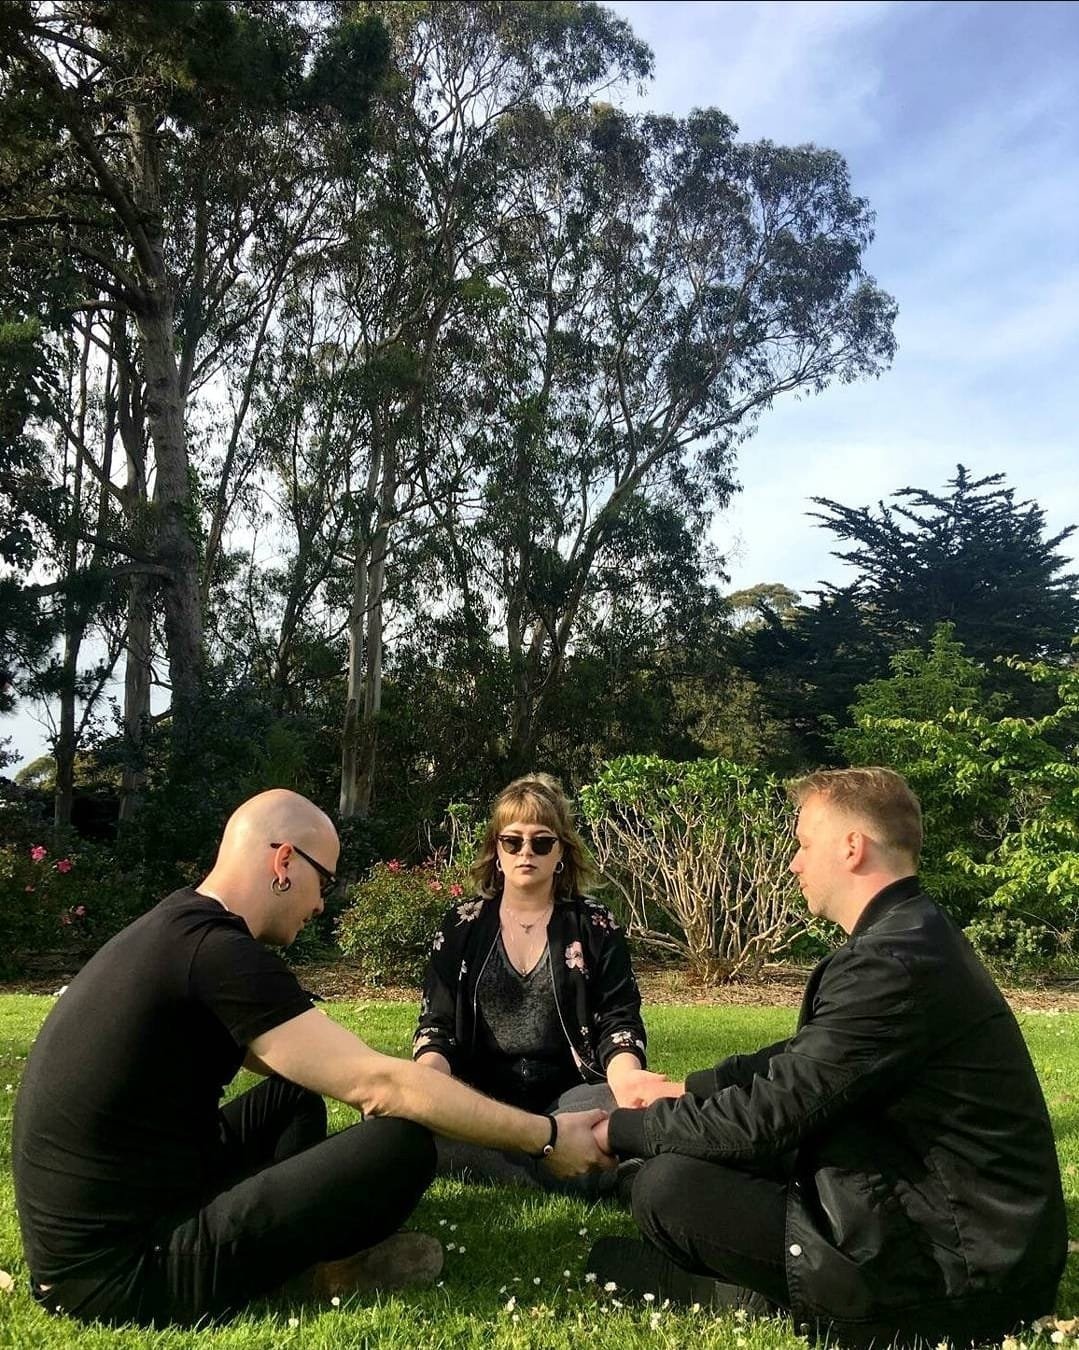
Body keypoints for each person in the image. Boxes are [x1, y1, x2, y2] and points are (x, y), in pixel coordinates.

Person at [12, 789, 611, 1328]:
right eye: (322, 881)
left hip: (127, 1213)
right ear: (283, 863)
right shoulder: (219, 953)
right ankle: (309, 1269)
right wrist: (548, 1136)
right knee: (401, 1143)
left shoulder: (180, 927)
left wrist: (397, 1082)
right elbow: (376, 1085)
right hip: (123, 1273)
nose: (321, 904)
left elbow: (311, 1066)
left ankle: (304, 1246)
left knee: (294, 1098)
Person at [587, 767, 1067, 1347]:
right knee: (687, 1155)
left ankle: (780, 1298)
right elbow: (805, 1060)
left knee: (668, 1186)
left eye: (803, 845)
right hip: (952, 1224)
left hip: (962, 1273)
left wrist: (621, 1131)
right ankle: (768, 1283)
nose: (794, 863)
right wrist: (692, 1086)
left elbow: (767, 1118)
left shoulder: (892, 960)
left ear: (851, 846)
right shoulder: (911, 934)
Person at [413, 774, 663, 1193]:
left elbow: (618, 1022)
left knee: (618, 1115)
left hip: (572, 1095)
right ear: (496, 849)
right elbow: (436, 1024)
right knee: (415, 1121)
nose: (526, 852)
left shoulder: (594, 923)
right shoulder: (462, 924)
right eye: (513, 841)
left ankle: (518, 1159)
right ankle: (567, 1164)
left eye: (541, 842)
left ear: (560, 851)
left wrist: (628, 1081)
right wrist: (426, 1086)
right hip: (481, 1100)